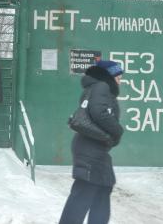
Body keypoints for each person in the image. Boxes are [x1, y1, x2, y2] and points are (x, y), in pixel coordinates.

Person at [59, 60, 124, 224]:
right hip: (90, 148)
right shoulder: (102, 86)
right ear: (109, 75)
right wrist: (117, 131)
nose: (120, 80)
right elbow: (99, 112)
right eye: (118, 76)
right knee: (83, 193)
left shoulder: (95, 88)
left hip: (94, 147)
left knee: (103, 189)